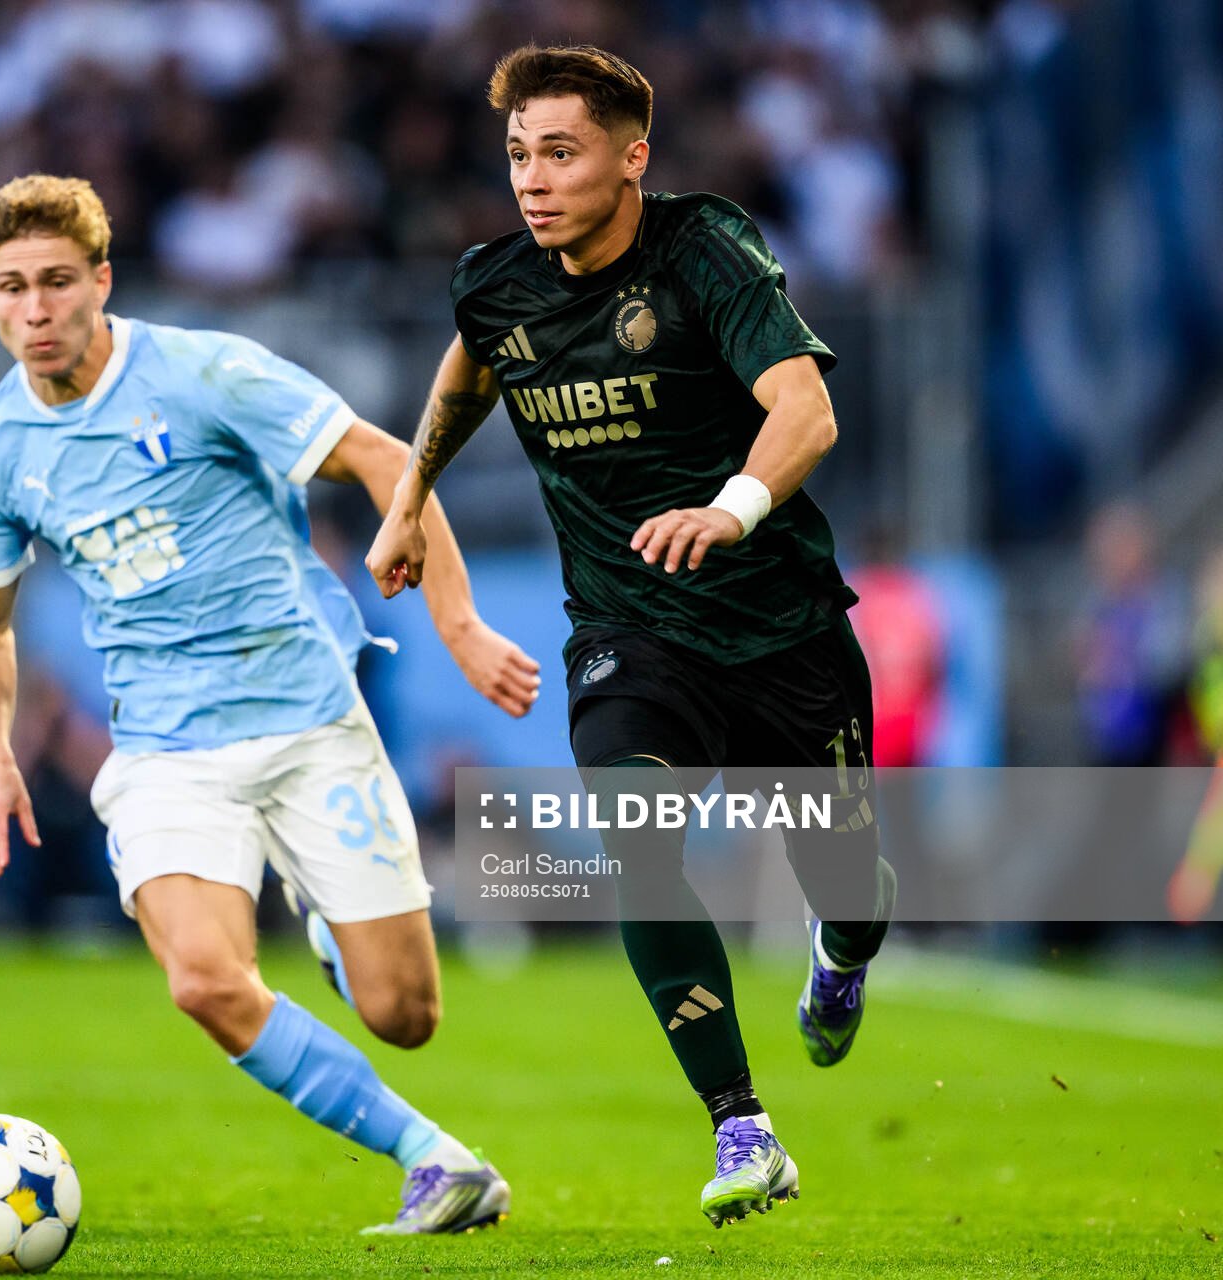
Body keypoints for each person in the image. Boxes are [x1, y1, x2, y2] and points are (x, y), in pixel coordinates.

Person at [366, 45, 897, 1227]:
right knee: (636, 838)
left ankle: (844, 945)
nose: (534, 179)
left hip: (782, 627)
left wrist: (728, 508)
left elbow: (807, 409)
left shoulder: (705, 248)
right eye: (518, 155)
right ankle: (742, 1126)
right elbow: (470, 374)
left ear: (631, 157)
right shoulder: (494, 283)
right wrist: (408, 501)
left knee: (850, 887)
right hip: (627, 628)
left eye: (561, 152)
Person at [0, 174, 540, 1234]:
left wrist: (457, 624)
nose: (33, 311)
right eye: (8, 288)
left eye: (54, 283)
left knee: (405, 1013)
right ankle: (433, 1159)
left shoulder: (199, 372)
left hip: (309, 719)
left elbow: (382, 455)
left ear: (102, 281)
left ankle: (325, 919)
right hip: (165, 754)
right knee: (204, 982)